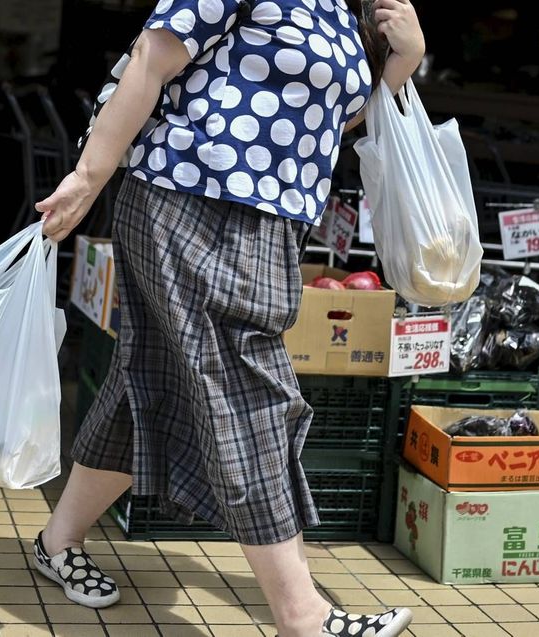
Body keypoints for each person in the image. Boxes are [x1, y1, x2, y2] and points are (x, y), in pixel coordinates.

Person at [31, 1, 424, 636]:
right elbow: (151, 58)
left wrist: (401, 61)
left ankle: (58, 540)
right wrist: (87, 176)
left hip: (269, 225)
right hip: (189, 202)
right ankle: (304, 617)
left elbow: (328, 118)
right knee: (248, 393)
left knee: (152, 386)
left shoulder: (341, 7)